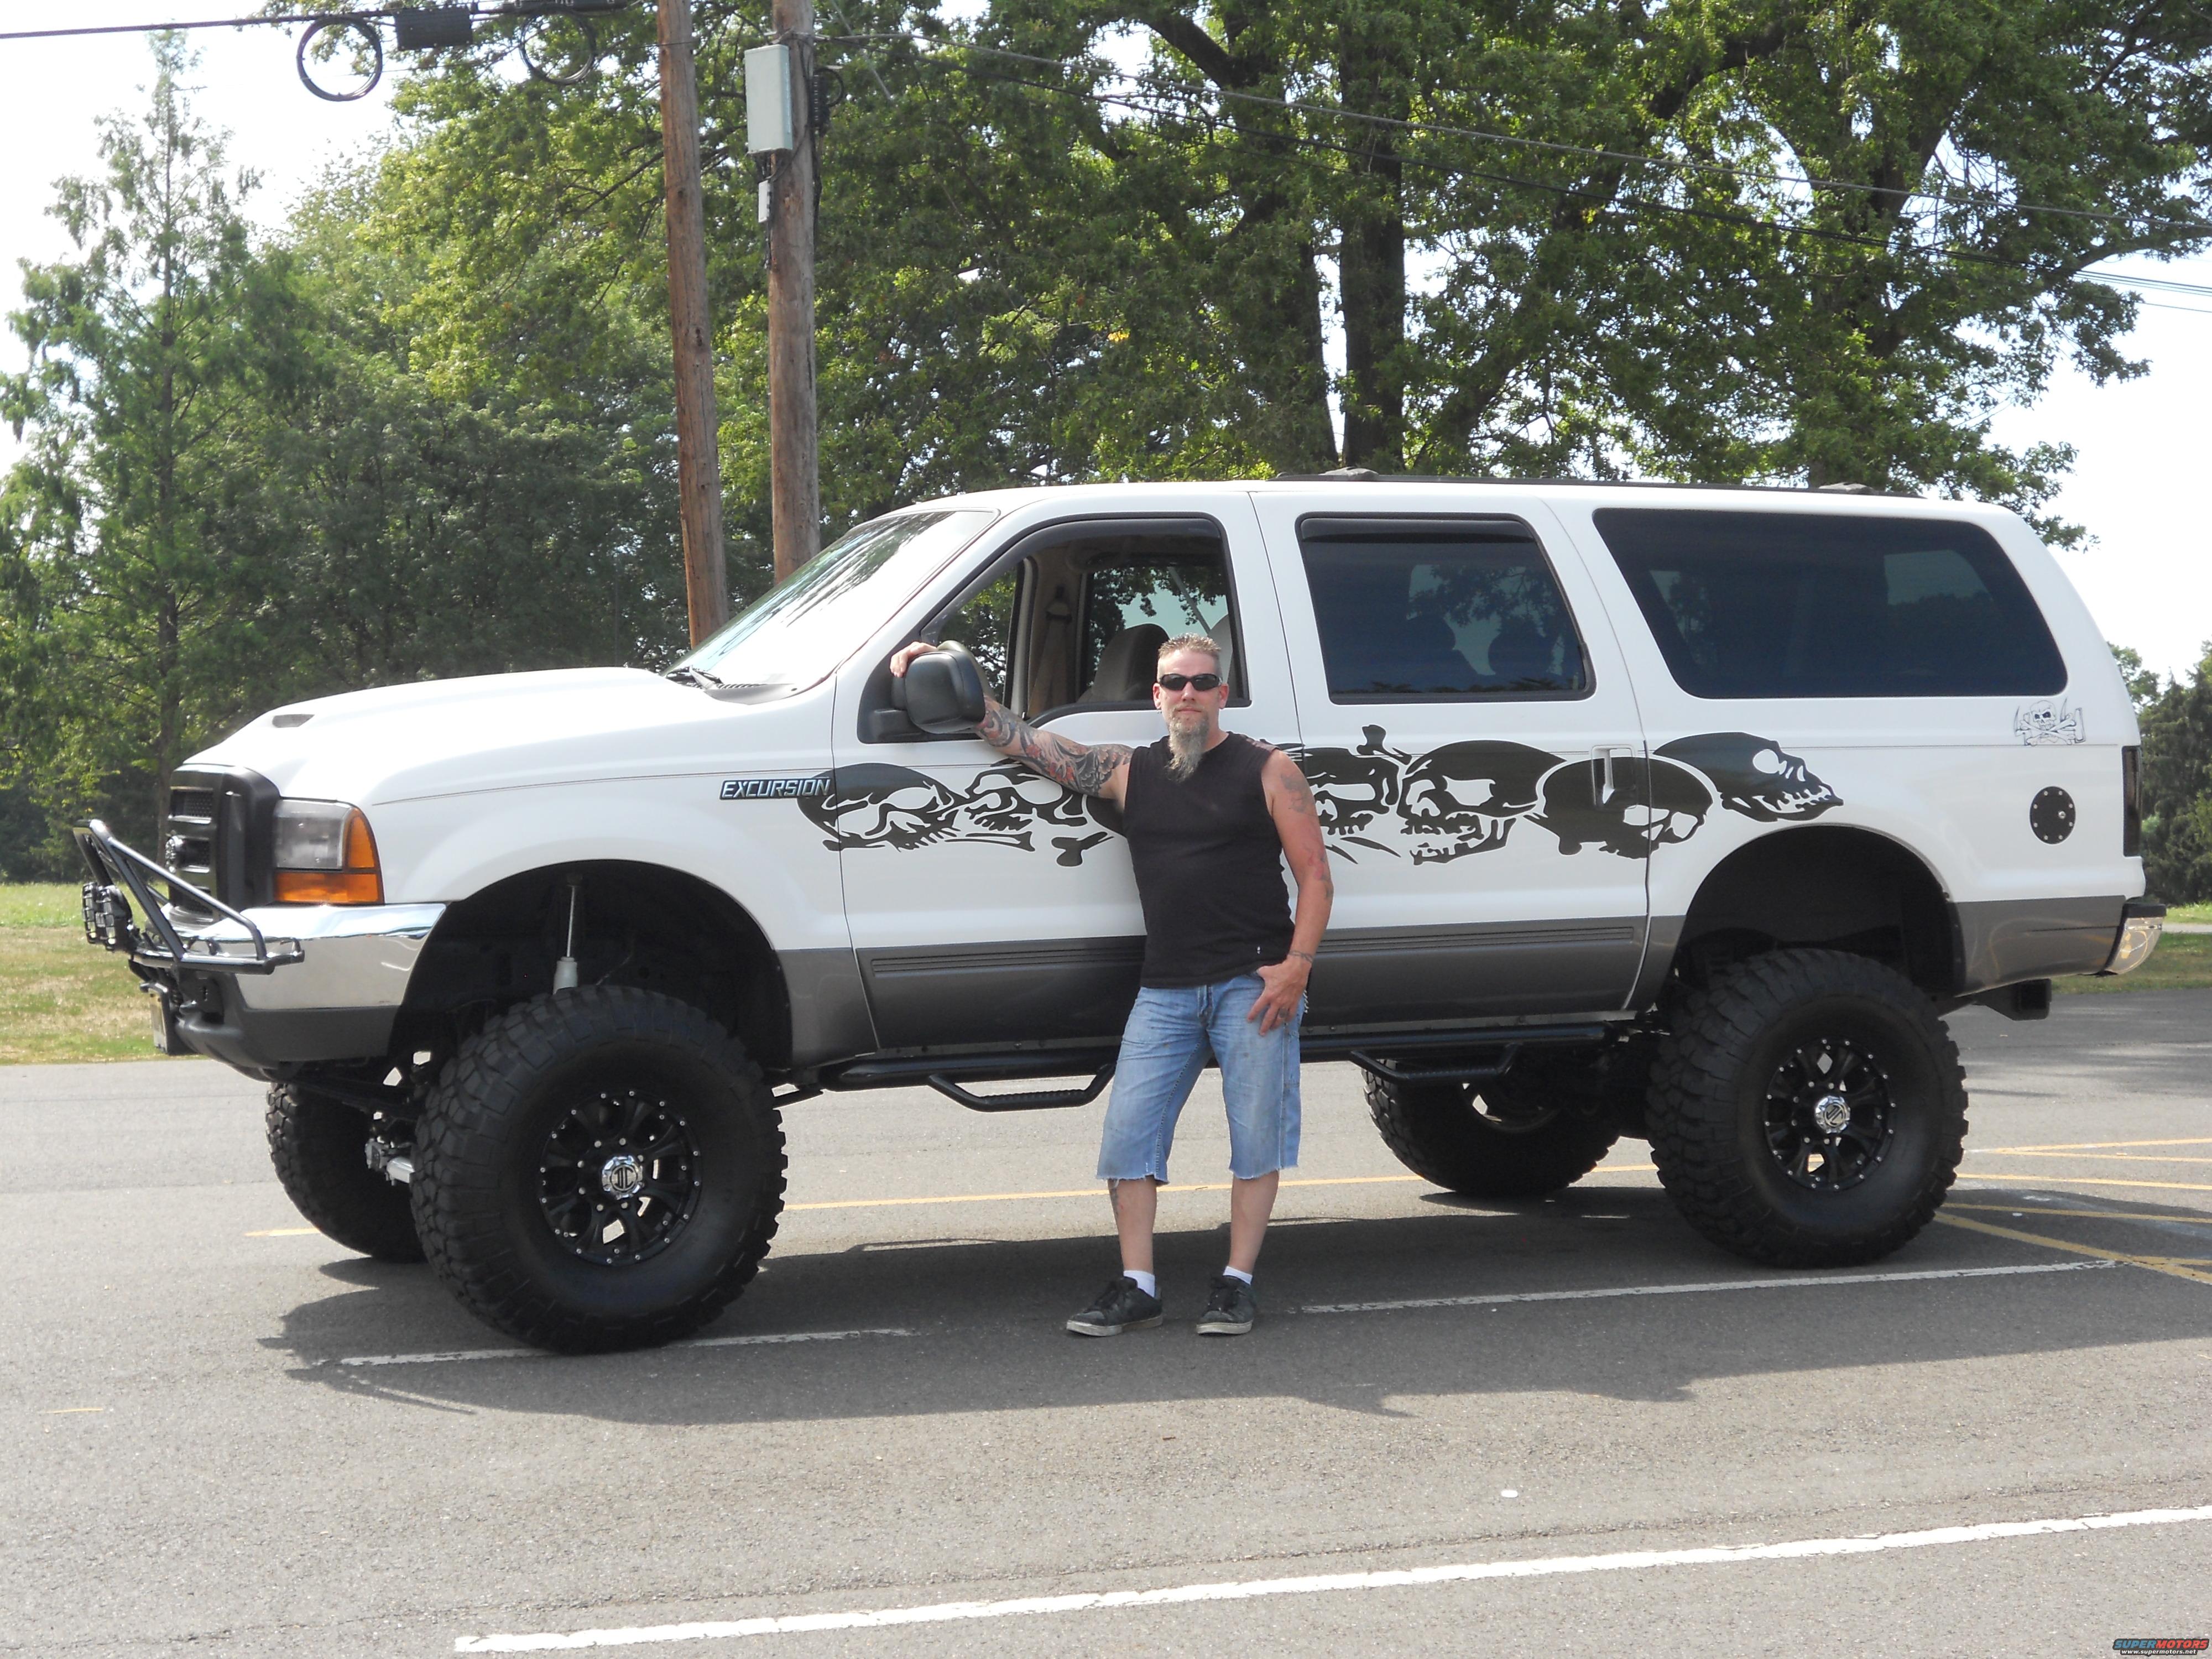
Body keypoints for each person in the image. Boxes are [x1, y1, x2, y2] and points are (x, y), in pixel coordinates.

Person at [889, 632, 1332, 1336]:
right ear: (1155, 696)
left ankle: (1236, 1284)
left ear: (1222, 694)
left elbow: (1315, 875)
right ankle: (1138, 1284)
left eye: (1202, 682)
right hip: (1165, 988)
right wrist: (960, 682)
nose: (1188, 693)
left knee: (1257, 1141)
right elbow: (1032, 746)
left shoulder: (1267, 770)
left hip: (1255, 984)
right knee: (1129, 1140)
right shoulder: (1131, 771)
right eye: (1174, 682)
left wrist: (1296, 967)